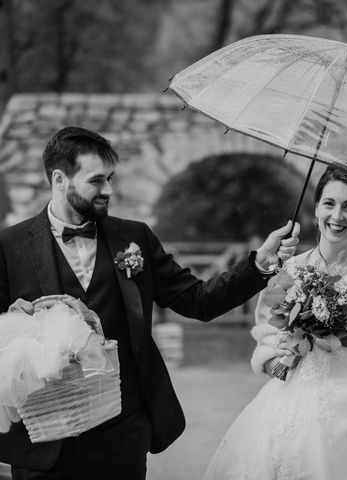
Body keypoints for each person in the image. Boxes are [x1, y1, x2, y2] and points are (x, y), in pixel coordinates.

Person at [0, 126, 300, 480]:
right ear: (60, 179)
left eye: (110, 178)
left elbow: (197, 300)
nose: (108, 190)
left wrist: (259, 264)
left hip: (123, 430)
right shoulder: (11, 246)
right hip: (45, 436)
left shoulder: (134, 237)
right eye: (97, 180)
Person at [204, 163, 347, 480]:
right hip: (290, 395)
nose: (337, 216)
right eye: (329, 204)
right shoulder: (292, 268)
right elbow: (267, 328)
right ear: (316, 207)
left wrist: (346, 351)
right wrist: (275, 358)